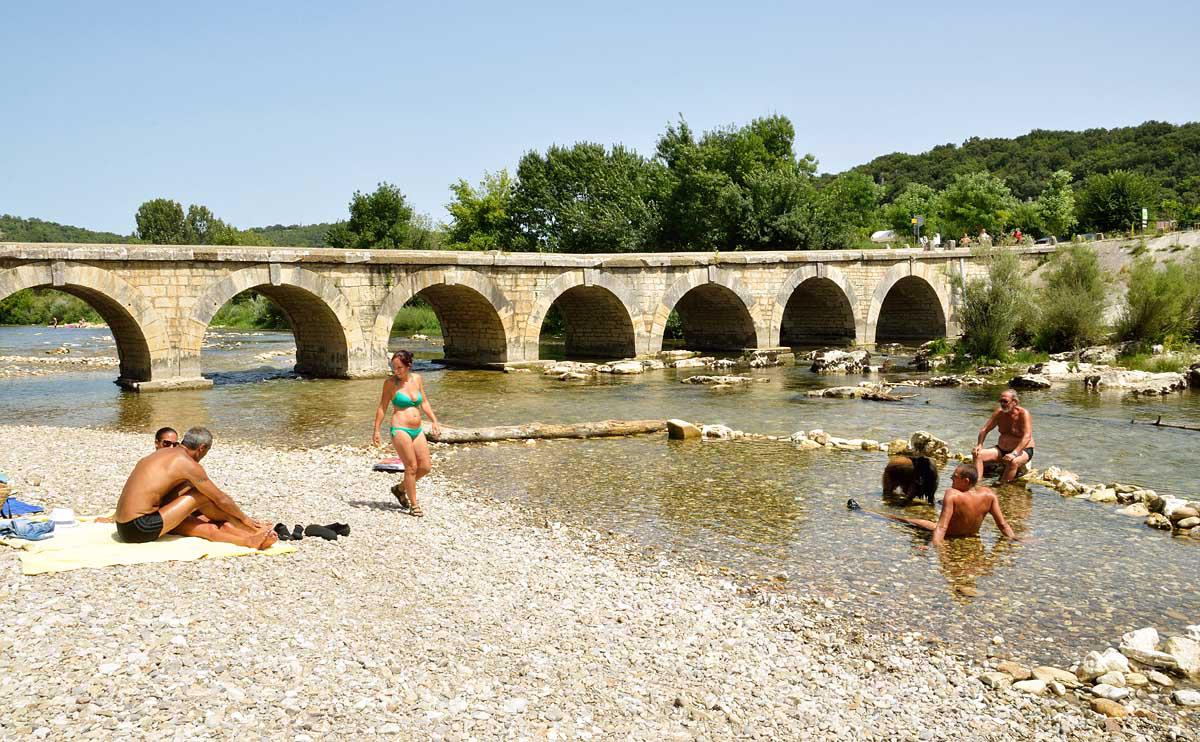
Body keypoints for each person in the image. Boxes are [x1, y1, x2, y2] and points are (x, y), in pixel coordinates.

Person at [113, 427, 277, 548]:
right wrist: (245, 518)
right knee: (201, 495)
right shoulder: (187, 464)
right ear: (202, 449)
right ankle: (246, 527)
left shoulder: (160, 454)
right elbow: (220, 498)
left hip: (124, 527)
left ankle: (248, 538)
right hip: (140, 527)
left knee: (206, 528)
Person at [848, 464, 1021, 546]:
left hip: (950, 534)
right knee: (920, 518)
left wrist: (938, 548)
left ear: (965, 481)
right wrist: (1013, 539)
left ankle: (863, 511)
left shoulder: (952, 494)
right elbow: (1003, 524)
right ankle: (864, 511)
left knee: (903, 519)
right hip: (970, 535)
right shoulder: (989, 494)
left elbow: (942, 527)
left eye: (954, 477)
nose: (951, 479)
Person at [372, 349, 441, 517]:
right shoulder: (390, 384)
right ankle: (414, 505)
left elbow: (423, 401)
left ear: (408, 365)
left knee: (425, 467)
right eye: (393, 367)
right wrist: (376, 430)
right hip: (400, 428)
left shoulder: (417, 379)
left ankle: (400, 489)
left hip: (417, 430)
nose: (396, 371)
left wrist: (434, 420)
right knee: (411, 467)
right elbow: (383, 407)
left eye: (399, 367)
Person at [972, 389, 1035, 483]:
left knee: (1013, 462)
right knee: (978, 455)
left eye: (1005, 401)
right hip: (1001, 449)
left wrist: (1014, 453)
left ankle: (1003, 487)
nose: (1002, 404)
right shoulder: (999, 413)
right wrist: (979, 445)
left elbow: (1027, 436)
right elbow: (984, 430)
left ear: (1015, 402)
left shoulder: (1023, 414)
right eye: (1000, 401)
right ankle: (977, 483)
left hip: (1022, 450)